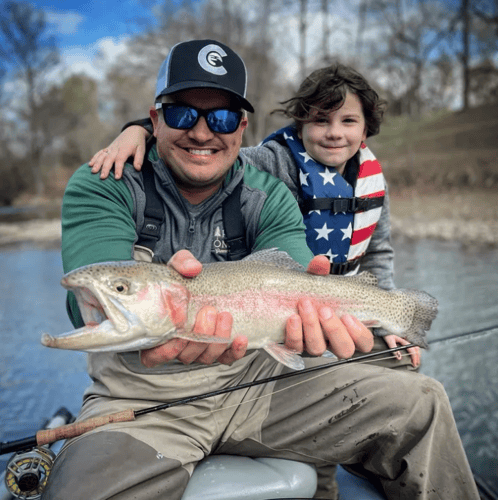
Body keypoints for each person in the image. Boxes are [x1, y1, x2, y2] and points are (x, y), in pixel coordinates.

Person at [43, 40, 479, 500]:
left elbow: (301, 266)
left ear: (242, 127)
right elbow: (83, 305)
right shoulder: (105, 179)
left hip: (262, 383)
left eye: (224, 118)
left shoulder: (268, 190)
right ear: (154, 120)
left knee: (421, 402)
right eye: (181, 114)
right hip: (140, 402)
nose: (203, 132)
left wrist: (333, 312)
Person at [90, 63, 420, 367]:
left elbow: (378, 250)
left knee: (404, 371)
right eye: (321, 120)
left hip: (349, 305)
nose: (335, 133)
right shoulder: (268, 161)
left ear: (365, 131)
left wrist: (389, 316)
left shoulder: (371, 182)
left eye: (348, 121)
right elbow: (207, 149)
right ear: (301, 125)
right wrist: (139, 130)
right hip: (283, 305)